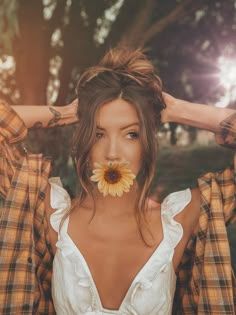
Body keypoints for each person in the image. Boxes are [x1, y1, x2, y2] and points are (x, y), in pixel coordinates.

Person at [0, 48, 235, 314]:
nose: (112, 152)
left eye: (131, 134)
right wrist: (66, 113)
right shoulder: (52, 214)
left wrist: (178, 111)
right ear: (84, 141)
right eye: (98, 134)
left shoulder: (181, 219)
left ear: (147, 143)